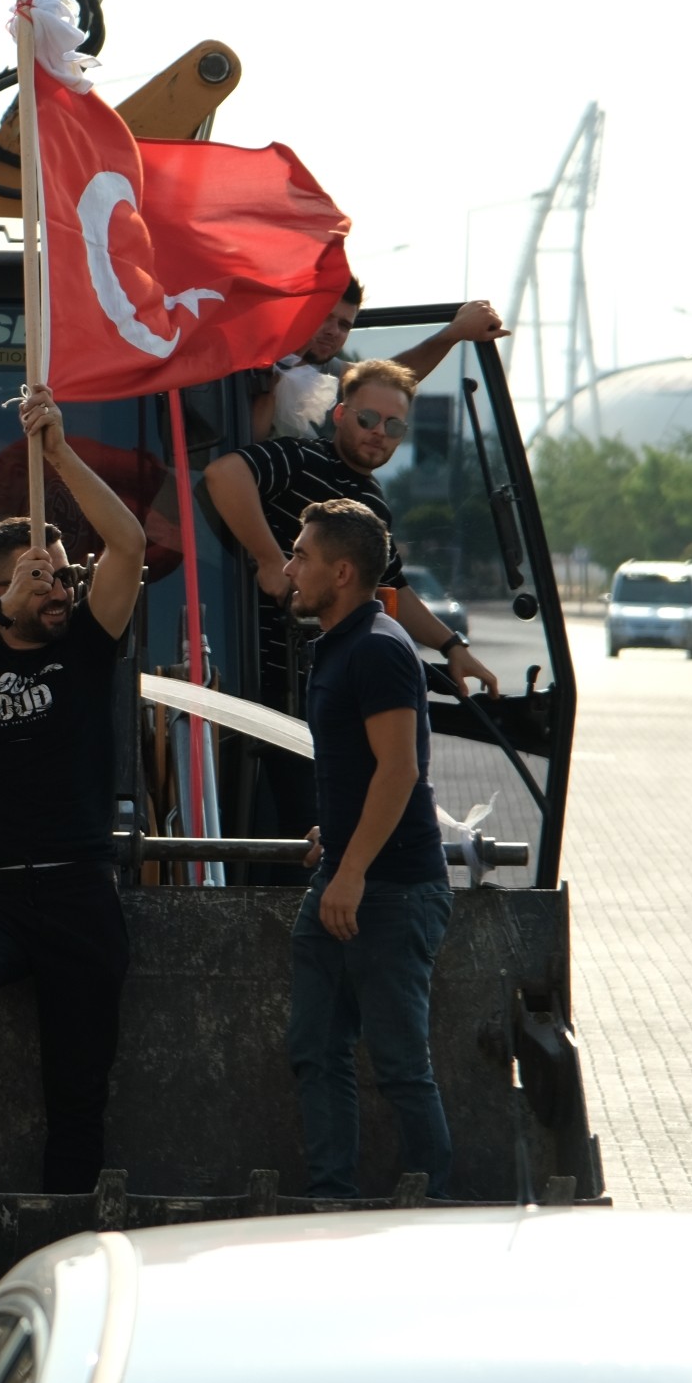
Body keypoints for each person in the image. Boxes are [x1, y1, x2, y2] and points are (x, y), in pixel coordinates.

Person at [0, 388, 147, 1195]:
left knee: (80, 1091)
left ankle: (66, 1225)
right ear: (0, 588)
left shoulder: (86, 641)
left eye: (61, 574)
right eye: (37, 579)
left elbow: (130, 544)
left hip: (81, 892)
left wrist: (59, 455)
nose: (56, 589)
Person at [204, 359, 495, 855]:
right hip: (256, 687)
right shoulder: (300, 459)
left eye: (393, 426)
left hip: (317, 695)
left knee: (312, 840)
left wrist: (451, 645)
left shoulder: (372, 504)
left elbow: (393, 590)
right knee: (278, 845)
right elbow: (223, 474)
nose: (379, 433)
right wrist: (270, 559)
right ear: (339, 415)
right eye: (367, 419)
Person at [281, 499, 454, 1198]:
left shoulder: (380, 648)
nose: (289, 568)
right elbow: (363, 769)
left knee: (400, 1066)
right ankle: (332, 1200)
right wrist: (337, 836)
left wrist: (351, 870)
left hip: (391, 890)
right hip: (347, 876)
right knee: (316, 1049)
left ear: (342, 571)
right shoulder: (343, 643)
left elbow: (400, 768)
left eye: (301, 556)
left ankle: (442, 1208)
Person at [261, 282, 507, 440]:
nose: (333, 331)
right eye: (325, 317)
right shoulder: (256, 360)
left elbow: (385, 379)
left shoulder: (317, 366)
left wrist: (453, 333)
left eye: (345, 325)